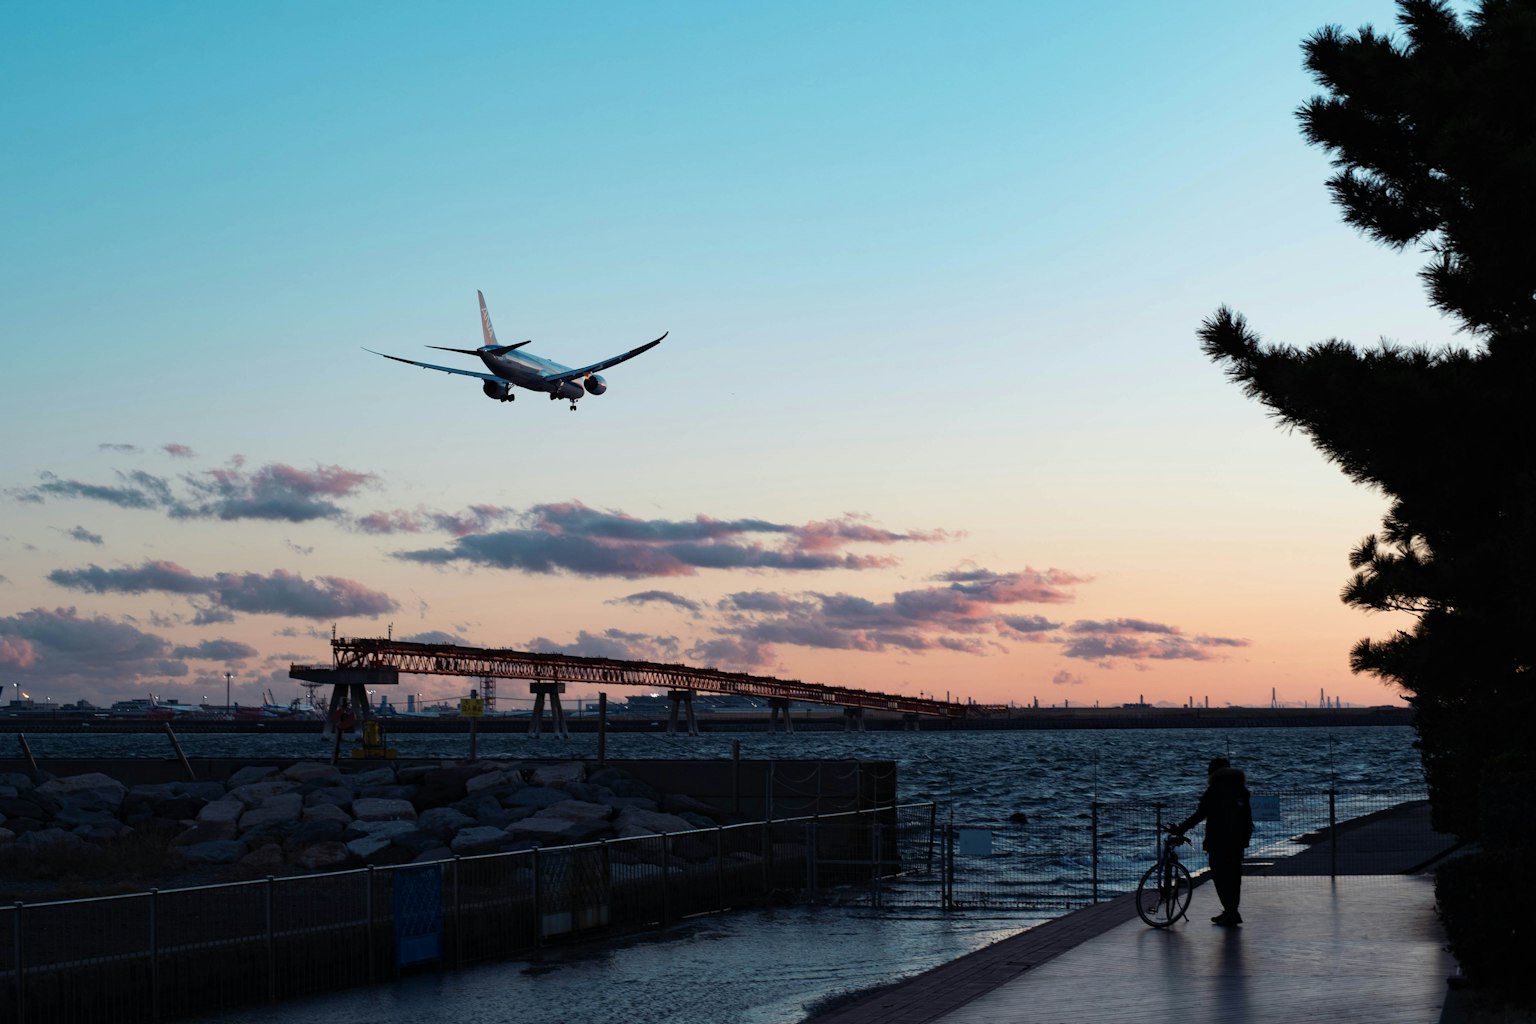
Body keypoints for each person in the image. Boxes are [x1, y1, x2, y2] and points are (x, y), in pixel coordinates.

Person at [1173, 757, 1253, 926]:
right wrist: (1245, 839)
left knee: (1219, 876)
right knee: (1234, 877)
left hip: (1219, 841)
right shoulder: (1241, 790)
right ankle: (1231, 911)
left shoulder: (1215, 790)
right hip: (1238, 842)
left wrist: (1181, 829)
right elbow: (1247, 818)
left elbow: (1200, 814)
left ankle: (1230, 911)